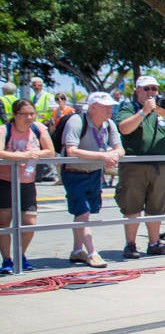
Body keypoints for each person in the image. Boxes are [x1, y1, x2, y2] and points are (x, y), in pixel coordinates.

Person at [115, 75, 165, 259]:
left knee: (157, 206)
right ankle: (130, 244)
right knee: (132, 206)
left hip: (162, 166)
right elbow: (124, 128)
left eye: (154, 88)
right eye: (146, 89)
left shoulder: (164, 109)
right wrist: (143, 112)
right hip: (135, 166)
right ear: (137, 91)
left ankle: (154, 243)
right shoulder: (129, 108)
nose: (151, 92)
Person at [58, 92, 123, 267]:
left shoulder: (109, 124)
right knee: (83, 213)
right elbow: (72, 150)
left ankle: (77, 250)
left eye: (111, 106)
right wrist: (103, 156)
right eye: (105, 106)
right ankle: (92, 252)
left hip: (94, 173)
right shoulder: (76, 121)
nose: (110, 109)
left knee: (84, 214)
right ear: (92, 107)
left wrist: (114, 155)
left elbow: (120, 148)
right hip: (74, 173)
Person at [0, 99, 55, 274]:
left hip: (28, 182)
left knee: (29, 222)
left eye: (32, 113)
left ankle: (20, 255)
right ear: (15, 115)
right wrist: (19, 156)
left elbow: (50, 151)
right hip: (5, 181)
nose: (29, 117)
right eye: (24, 114)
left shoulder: (38, 129)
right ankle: (7, 260)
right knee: (4, 223)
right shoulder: (5, 130)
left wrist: (34, 154)